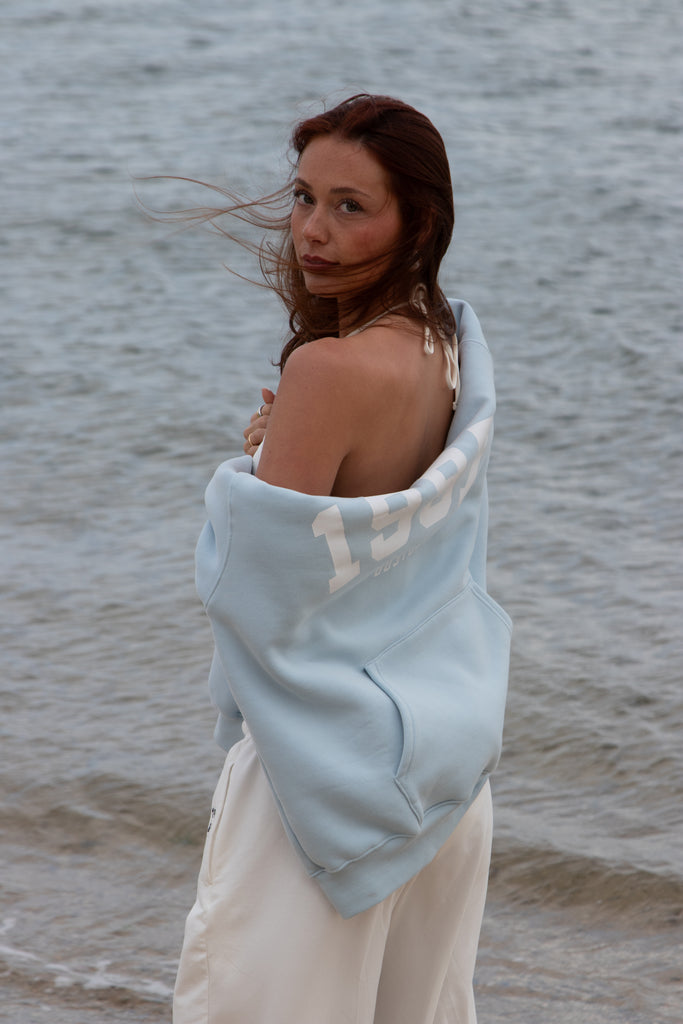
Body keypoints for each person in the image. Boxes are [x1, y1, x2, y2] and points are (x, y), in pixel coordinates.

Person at [172, 94, 511, 1024]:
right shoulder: (449, 349)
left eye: (349, 206)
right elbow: (387, 521)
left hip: (318, 776)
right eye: (304, 197)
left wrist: (254, 465)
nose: (311, 231)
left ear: (418, 223)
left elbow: (251, 592)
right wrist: (288, 442)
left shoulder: (324, 371)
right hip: (438, 769)